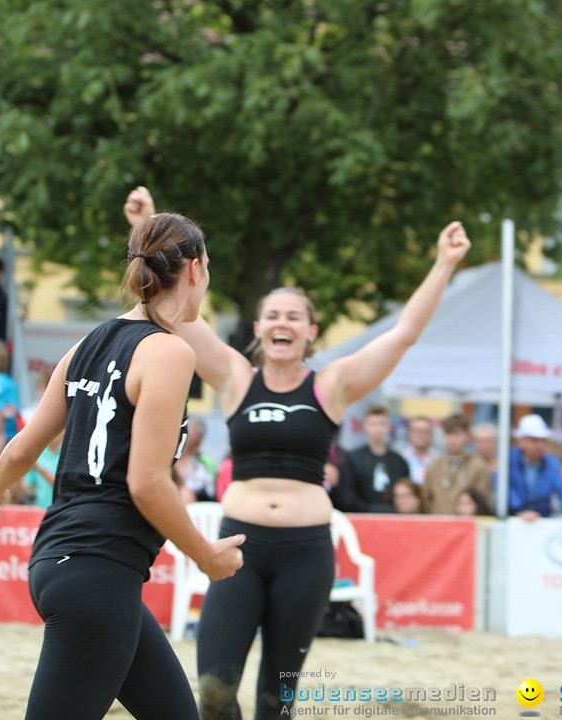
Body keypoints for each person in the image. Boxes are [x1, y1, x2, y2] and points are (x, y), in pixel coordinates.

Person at [122, 185, 469, 719]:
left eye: (294, 317)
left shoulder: (332, 385)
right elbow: (181, 313)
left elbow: (403, 335)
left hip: (307, 554)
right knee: (214, 689)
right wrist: (147, 228)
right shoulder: (237, 377)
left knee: (275, 702)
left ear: (311, 331)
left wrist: (444, 264)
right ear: (258, 329)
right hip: (241, 548)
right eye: (273, 315)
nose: (283, 323)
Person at [0, 208, 244, 720]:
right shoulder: (168, 352)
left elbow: (24, 449)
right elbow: (146, 483)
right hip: (97, 570)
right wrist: (204, 556)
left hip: (63, 563)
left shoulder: (86, 343)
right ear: (194, 270)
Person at [507, 414, 562, 525]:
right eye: (534, 440)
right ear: (521, 441)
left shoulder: (552, 463)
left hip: (540, 521)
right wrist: (520, 511)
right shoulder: (509, 460)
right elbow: (505, 491)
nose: (540, 445)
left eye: (543, 440)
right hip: (512, 521)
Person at [335, 404, 410, 513]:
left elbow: (406, 493)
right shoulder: (353, 459)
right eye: (373, 424)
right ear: (365, 426)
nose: (377, 429)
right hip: (361, 518)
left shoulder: (399, 461)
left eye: (381, 424)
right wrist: (370, 509)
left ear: (389, 426)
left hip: (394, 518)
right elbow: (347, 495)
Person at [422, 413, 491, 515]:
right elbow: (426, 499)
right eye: (448, 434)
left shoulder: (478, 466)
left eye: (456, 434)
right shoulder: (434, 465)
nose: (452, 439)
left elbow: (483, 500)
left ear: (467, 436)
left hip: (466, 526)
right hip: (438, 524)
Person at [172, 416, 216, 502]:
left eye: (198, 444)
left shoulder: (202, 466)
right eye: (195, 444)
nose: (197, 450)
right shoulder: (168, 463)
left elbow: (210, 497)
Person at [402, 415, 439, 485]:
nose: (420, 435)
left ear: (431, 435)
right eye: (416, 430)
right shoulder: (401, 459)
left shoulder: (439, 460)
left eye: (424, 431)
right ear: (409, 434)